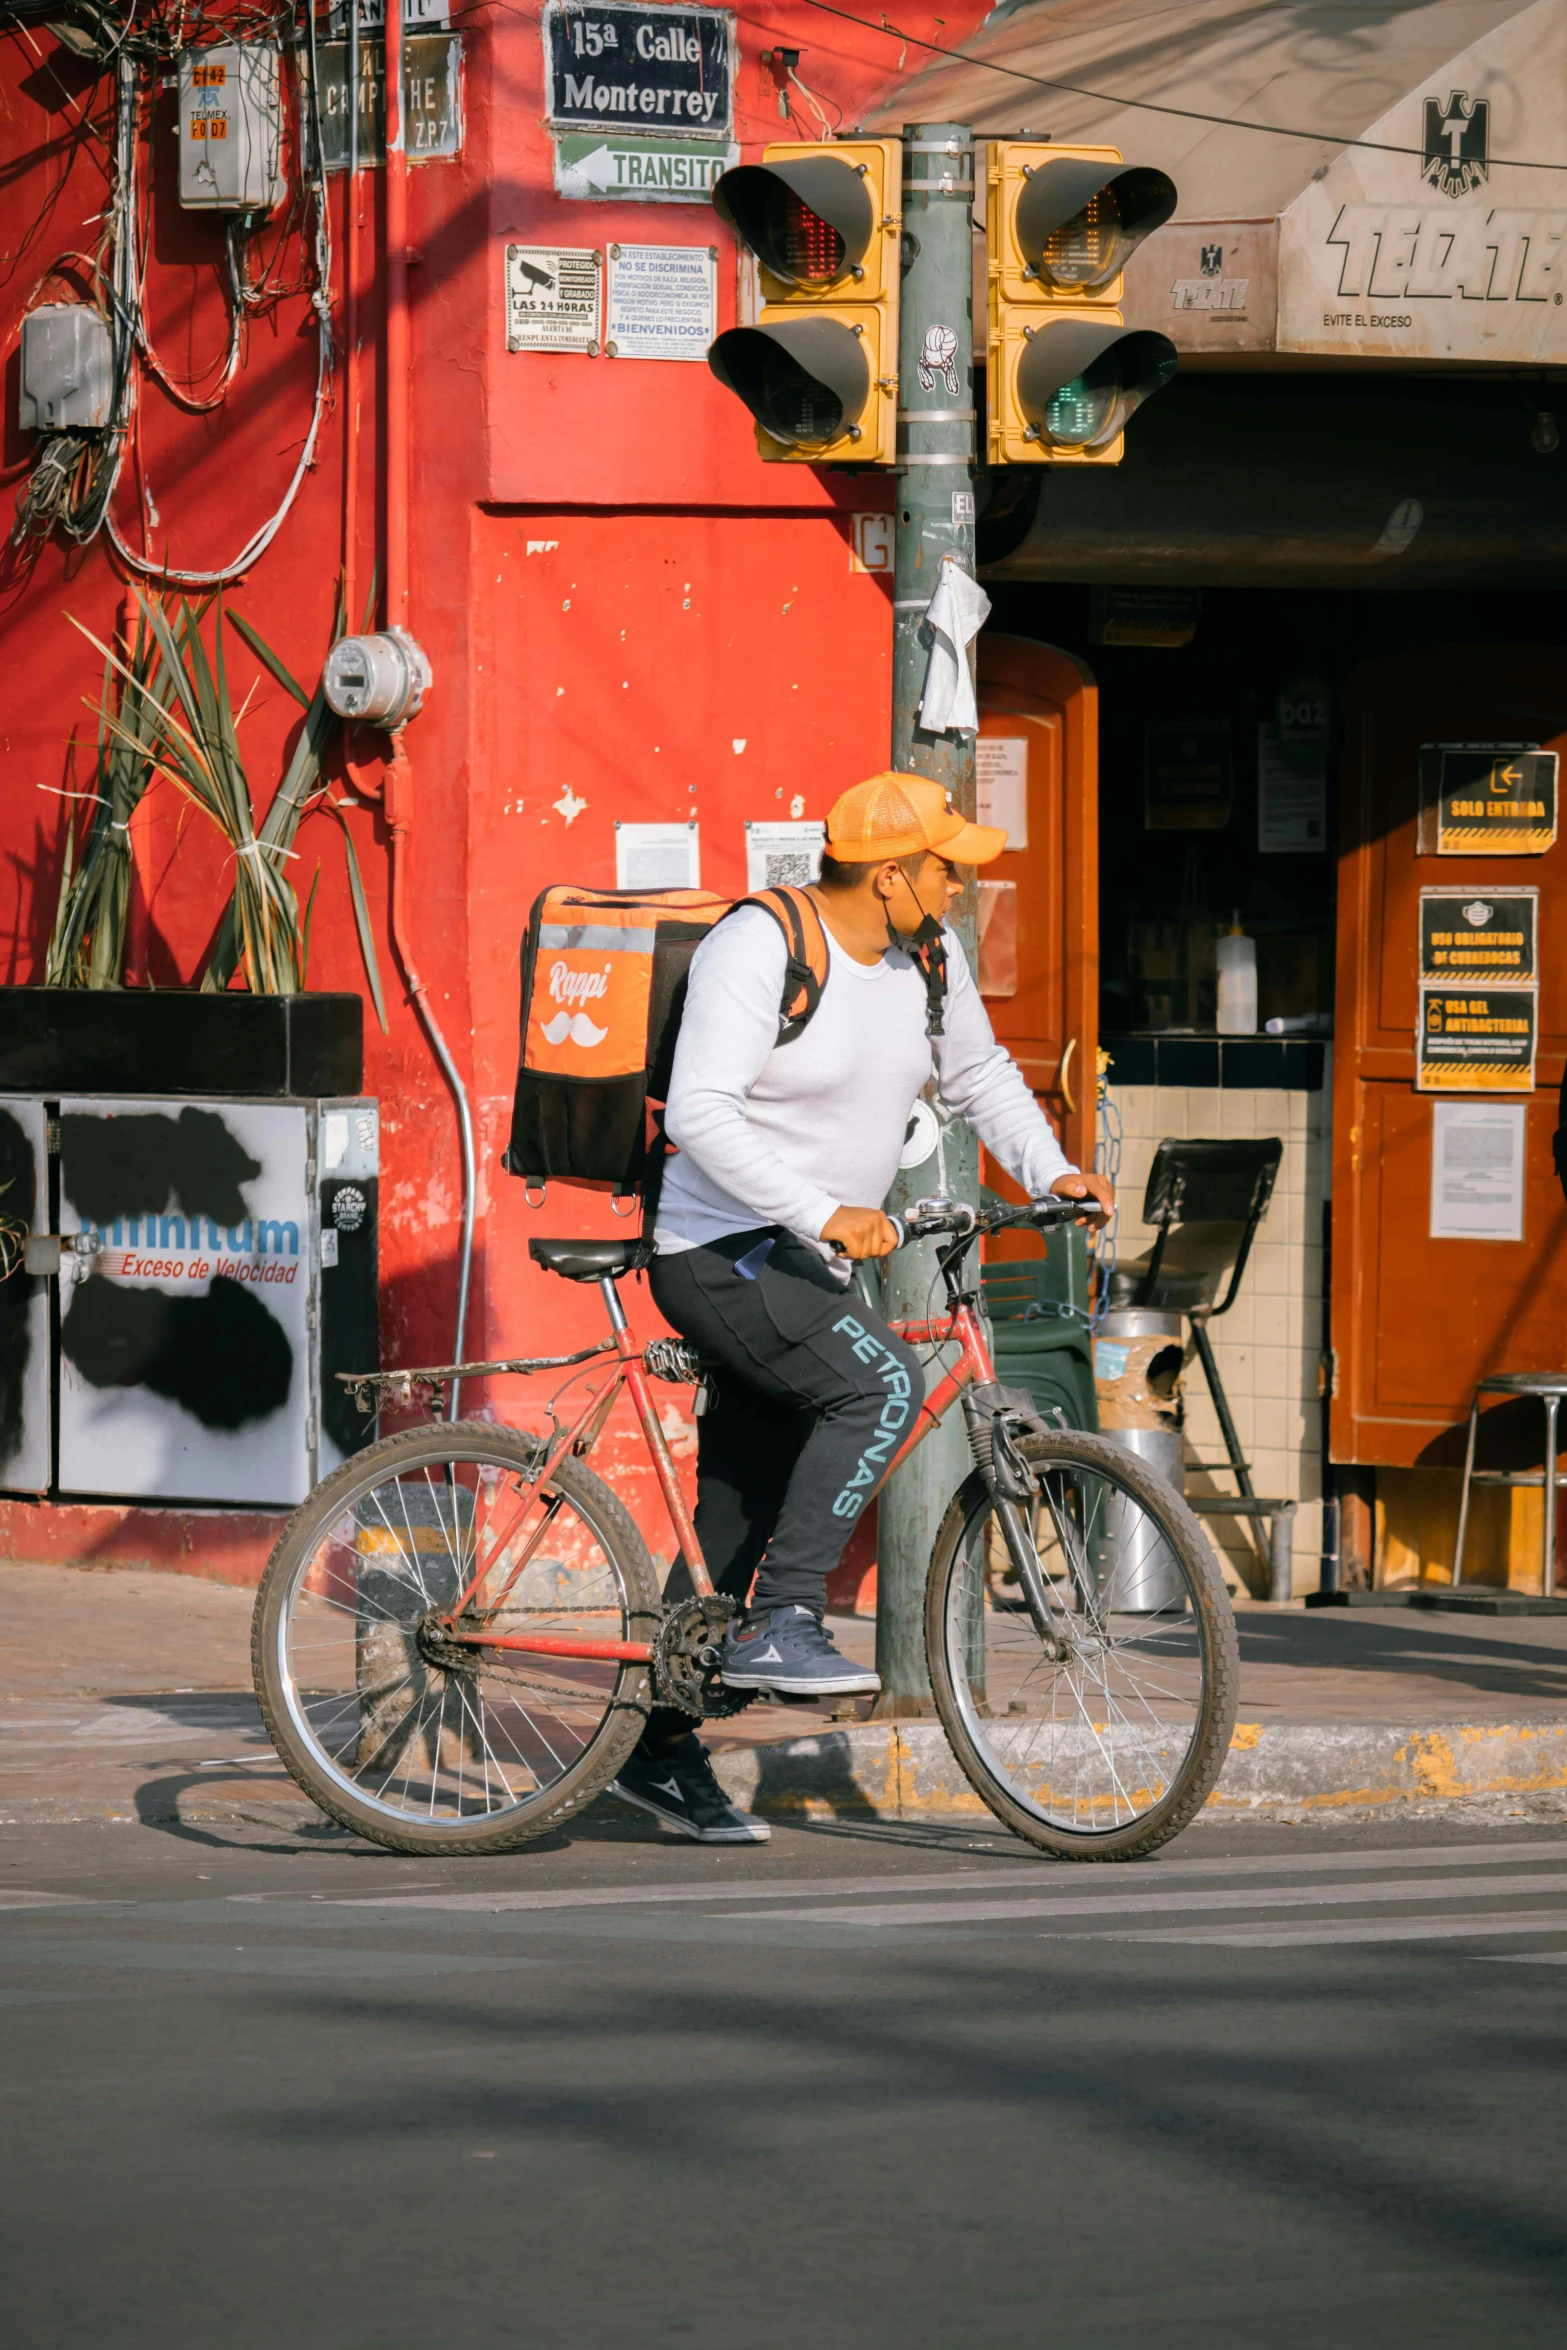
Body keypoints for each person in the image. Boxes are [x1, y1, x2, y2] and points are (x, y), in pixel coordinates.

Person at [609, 771, 1113, 1843]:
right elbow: (698, 1110)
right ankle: (786, 1622)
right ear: (889, 875)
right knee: (882, 1379)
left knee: (741, 1507)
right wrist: (822, 1210)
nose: (958, 887)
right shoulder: (762, 945)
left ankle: (651, 1743)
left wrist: (1050, 1170)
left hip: (806, 1260)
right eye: (945, 868)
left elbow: (977, 1076)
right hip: (719, 1246)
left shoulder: (926, 954)